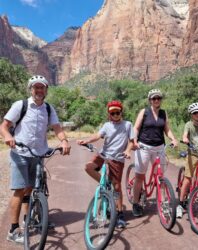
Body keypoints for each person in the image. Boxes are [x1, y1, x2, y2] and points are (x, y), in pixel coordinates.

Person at [0, 75, 71, 244]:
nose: (39, 90)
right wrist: (8, 136)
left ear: (46, 89)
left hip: (39, 154)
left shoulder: (48, 108)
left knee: (31, 188)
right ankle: (13, 229)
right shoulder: (21, 105)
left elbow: (57, 127)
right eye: (36, 87)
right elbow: (4, 125)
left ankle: (30, 220)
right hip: (20, 153)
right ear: (30, 89)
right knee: (19, 189)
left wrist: (64, 140)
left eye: (42, 87)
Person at [77, 100, 134, 228]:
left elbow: (131, 141)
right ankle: (106, 183)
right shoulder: (107, 125)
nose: (115, 115)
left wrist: (128, 150)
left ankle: (120, 214)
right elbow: (98, 135)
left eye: (117, 112)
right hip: (103, 155)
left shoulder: (128, 125)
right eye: (112, 113)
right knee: (88, 167)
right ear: (109, 114)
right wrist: (85, 140)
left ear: (121, 112)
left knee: (117, 187)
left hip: (117, 158)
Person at [132, 89, 178, 217]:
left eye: (158, 98)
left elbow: (167, 129)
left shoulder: (163, 113)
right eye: (154, 98)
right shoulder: (144, 112)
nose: (156, 100)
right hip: (144, 146)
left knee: (160, 177)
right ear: (150, 100)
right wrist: (134, 141)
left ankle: (163, 204)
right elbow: (136, 128)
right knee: (140, 177)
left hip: (159, 147)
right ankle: (136, 203)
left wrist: (173, 139)